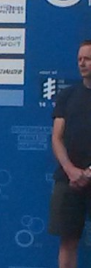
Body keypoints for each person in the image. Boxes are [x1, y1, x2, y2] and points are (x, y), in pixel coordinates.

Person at [49, 39, 91, 268]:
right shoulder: (67, 95)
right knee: (67, 242)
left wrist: (89, 172)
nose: (82, 63)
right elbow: (57, 137)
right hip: (68, 180)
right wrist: (71, 170)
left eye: (88, 59)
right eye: (79, 59)